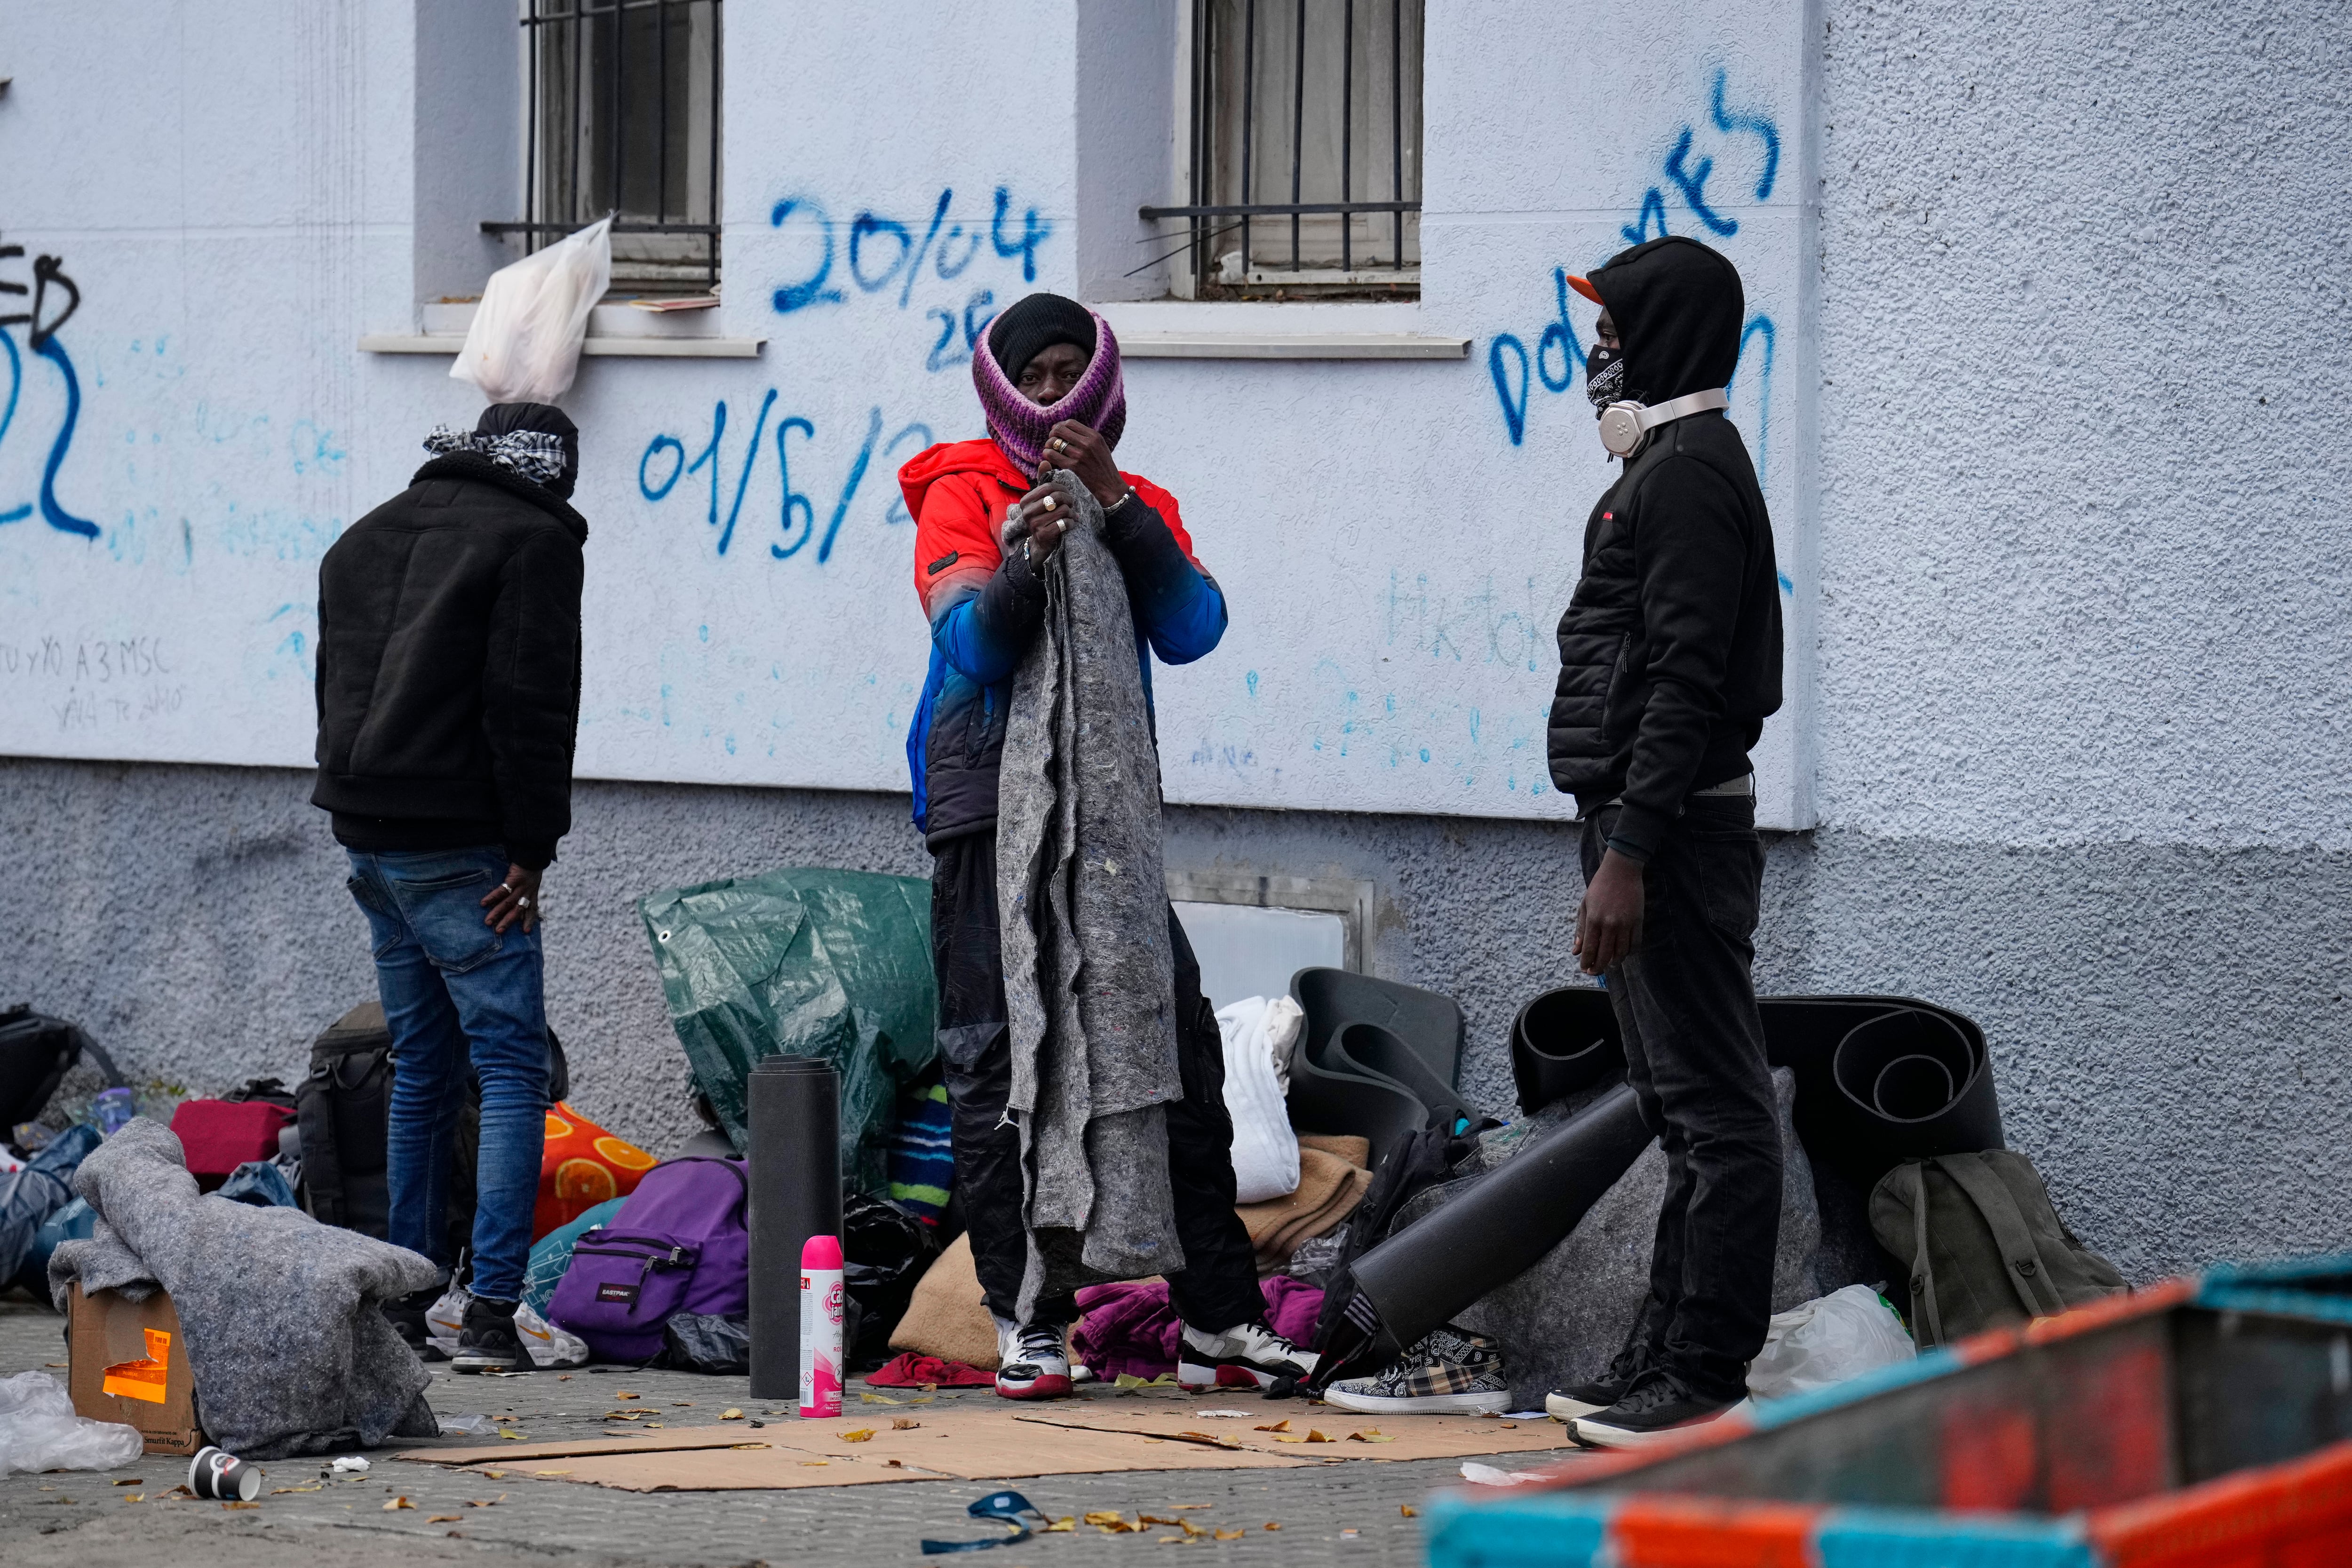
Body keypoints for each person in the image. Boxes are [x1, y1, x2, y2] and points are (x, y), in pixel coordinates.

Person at [898, 292, 1317, 1400]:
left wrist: (1114, 507)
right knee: (1001, 1066)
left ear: (1104, 385)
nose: (1050, 396)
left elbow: (1192, 629)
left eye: (1067, 373)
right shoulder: (959, 492)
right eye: (1030, 377)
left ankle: (1217, 1320)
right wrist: (1026, 559)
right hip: (987, 808)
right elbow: (973, 647)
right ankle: (1026, 1320)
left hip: (1111, 828)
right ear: (1001, 391)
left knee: (1167, 1056)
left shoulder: (1139, 500)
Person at [1541, 236, 1786, 1448]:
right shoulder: (1665, 462)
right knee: (1674, 1103)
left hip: (1677, 837)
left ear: (1666, 340)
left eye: (1616, 331)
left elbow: (1687, 677)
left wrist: (1629, 853)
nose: (1599, 353)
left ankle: (1702, 1375)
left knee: (1718, 1110)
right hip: (1643, 827)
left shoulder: (1688, 468)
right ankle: (1660, 1356)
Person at [312, 403, 588, 1374]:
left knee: (421, 1068)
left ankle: (400, 1303)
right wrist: (530, 849)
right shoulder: (536, 538)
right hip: (467, 843)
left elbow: (332, 685)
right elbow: (531, 702)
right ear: (554, 473)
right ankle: (490, 1316)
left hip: (367, 834)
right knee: (509, 1070)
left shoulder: (364, 535)